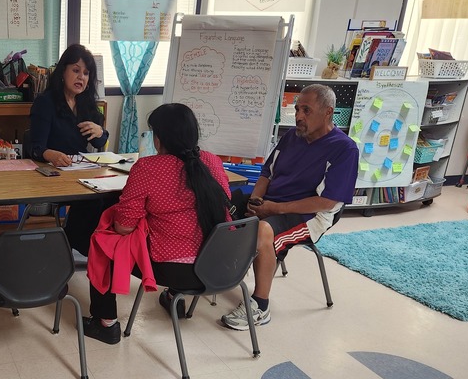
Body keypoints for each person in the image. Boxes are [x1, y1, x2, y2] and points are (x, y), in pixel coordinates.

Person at [83, 103, 232, 344]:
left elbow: (123, 227)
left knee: (104, 241)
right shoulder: (212, 161)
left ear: (159, 138)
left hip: (177, 271)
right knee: (183, 233)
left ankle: (105, 322)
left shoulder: (148, 167)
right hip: (222, 265)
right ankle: (174, 297)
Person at [221, 84, 359, 331]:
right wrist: (256, 200)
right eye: (297, 109)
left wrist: (274, 209)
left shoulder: (344, 149)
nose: (298, 116)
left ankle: (261, 306)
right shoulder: (291, 137)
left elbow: (328, 202)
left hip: (311, 214)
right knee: (221, 205)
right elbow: (266, 173)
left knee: (263, 230)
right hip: (272, 202)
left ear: (328, 112)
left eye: (306, 110)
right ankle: (214, 273)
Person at [29, 43, 112, 255]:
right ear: (63, 72)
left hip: (80, 172)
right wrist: (50, 154)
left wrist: (100, 132)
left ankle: (83, 245)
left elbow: (99, 143)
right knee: (92, 200)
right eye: (76, 70)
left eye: (86, 73)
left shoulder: (87, 103)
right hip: (52, 175)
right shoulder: (46, 102)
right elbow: (34, 147)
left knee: (112, 197)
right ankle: (76, 245)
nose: (81, 77)